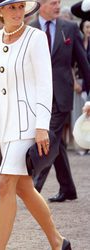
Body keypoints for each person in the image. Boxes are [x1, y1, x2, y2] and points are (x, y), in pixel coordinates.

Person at [0, 1, 71, 249]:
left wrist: (42, 126)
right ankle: (58, 242)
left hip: (30, 124)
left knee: (5, 183)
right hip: (5, 126)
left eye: (21, 7)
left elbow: (44, 84)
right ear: (0, 12)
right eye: (12, 8)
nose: (18, 13)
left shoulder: (36, 37)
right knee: (24, 188)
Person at [30, 0, 90, 202]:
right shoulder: (29, 29)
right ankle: (68, 189)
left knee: (49, 137)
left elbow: (84, 63)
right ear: (41, 5)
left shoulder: (70, 28)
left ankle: (33, 187)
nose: (58, 6)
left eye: (59, 2)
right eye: (53, 2)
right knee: (58, 145)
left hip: (61, 95)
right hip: (37, 97)